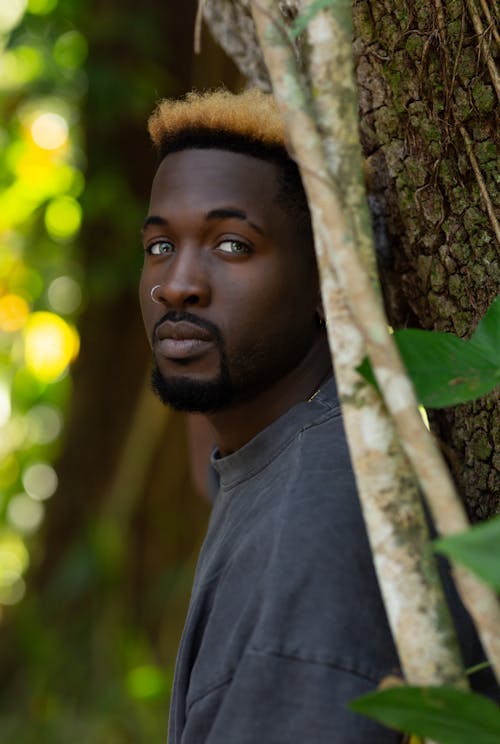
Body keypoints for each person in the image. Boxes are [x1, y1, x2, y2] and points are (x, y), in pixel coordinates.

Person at [137, 89, 482, 743]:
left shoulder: (312, 523)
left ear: (329, 282)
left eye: (232, 245)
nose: (176, 284)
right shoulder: (292, 447)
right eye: (159, 246)